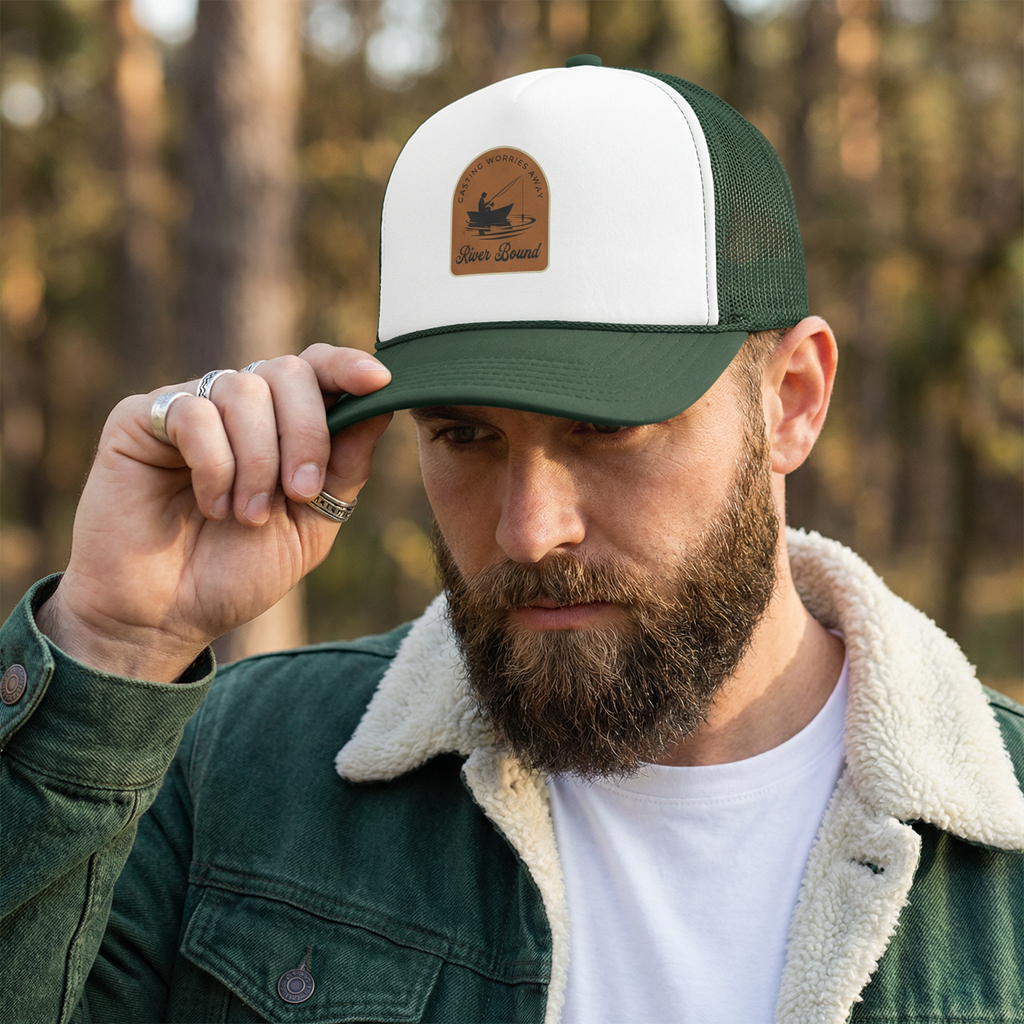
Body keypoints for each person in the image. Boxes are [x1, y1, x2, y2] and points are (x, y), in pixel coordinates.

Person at [2, 57, 1022, 1024]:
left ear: (792, 401)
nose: (528, 528)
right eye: (462, 435)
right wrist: (111, 644)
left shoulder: (1003, 874)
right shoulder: (231, 771)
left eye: (607, 429)